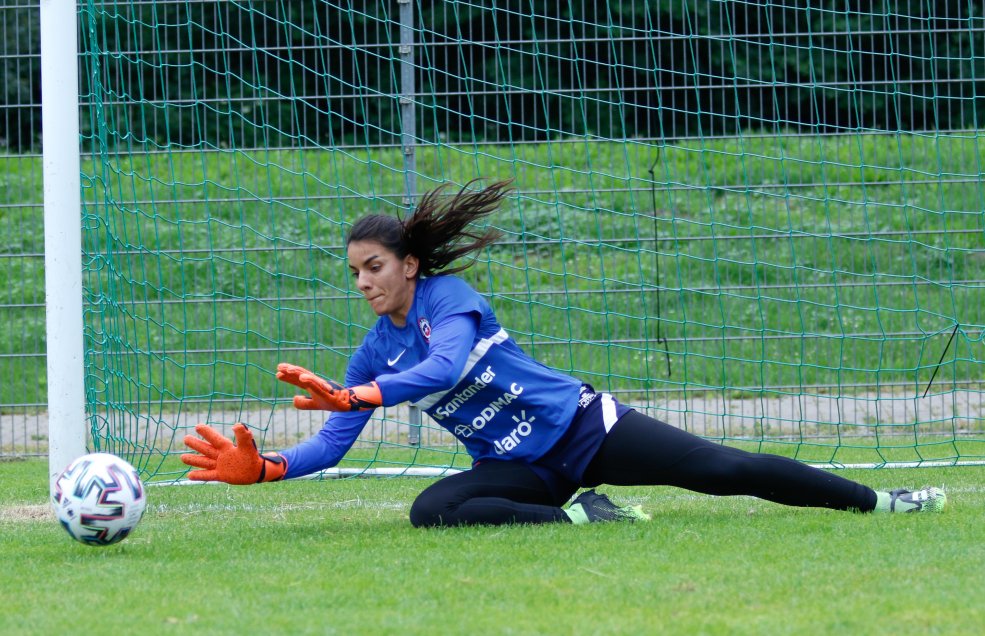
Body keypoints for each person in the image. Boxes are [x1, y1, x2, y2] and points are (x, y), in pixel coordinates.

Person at [181, 180, 947, 526]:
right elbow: (333, 440)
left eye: (372, 267)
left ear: (408, 264)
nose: (362, 282)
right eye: (353, 272)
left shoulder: (450, 300)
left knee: (727, 470)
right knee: (433, 510)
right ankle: (583, 516)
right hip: (525, 469)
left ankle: (881, 502)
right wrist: (274, 466)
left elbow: (444, 368)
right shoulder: (369, 356)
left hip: (585, 427)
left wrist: (362, 397)